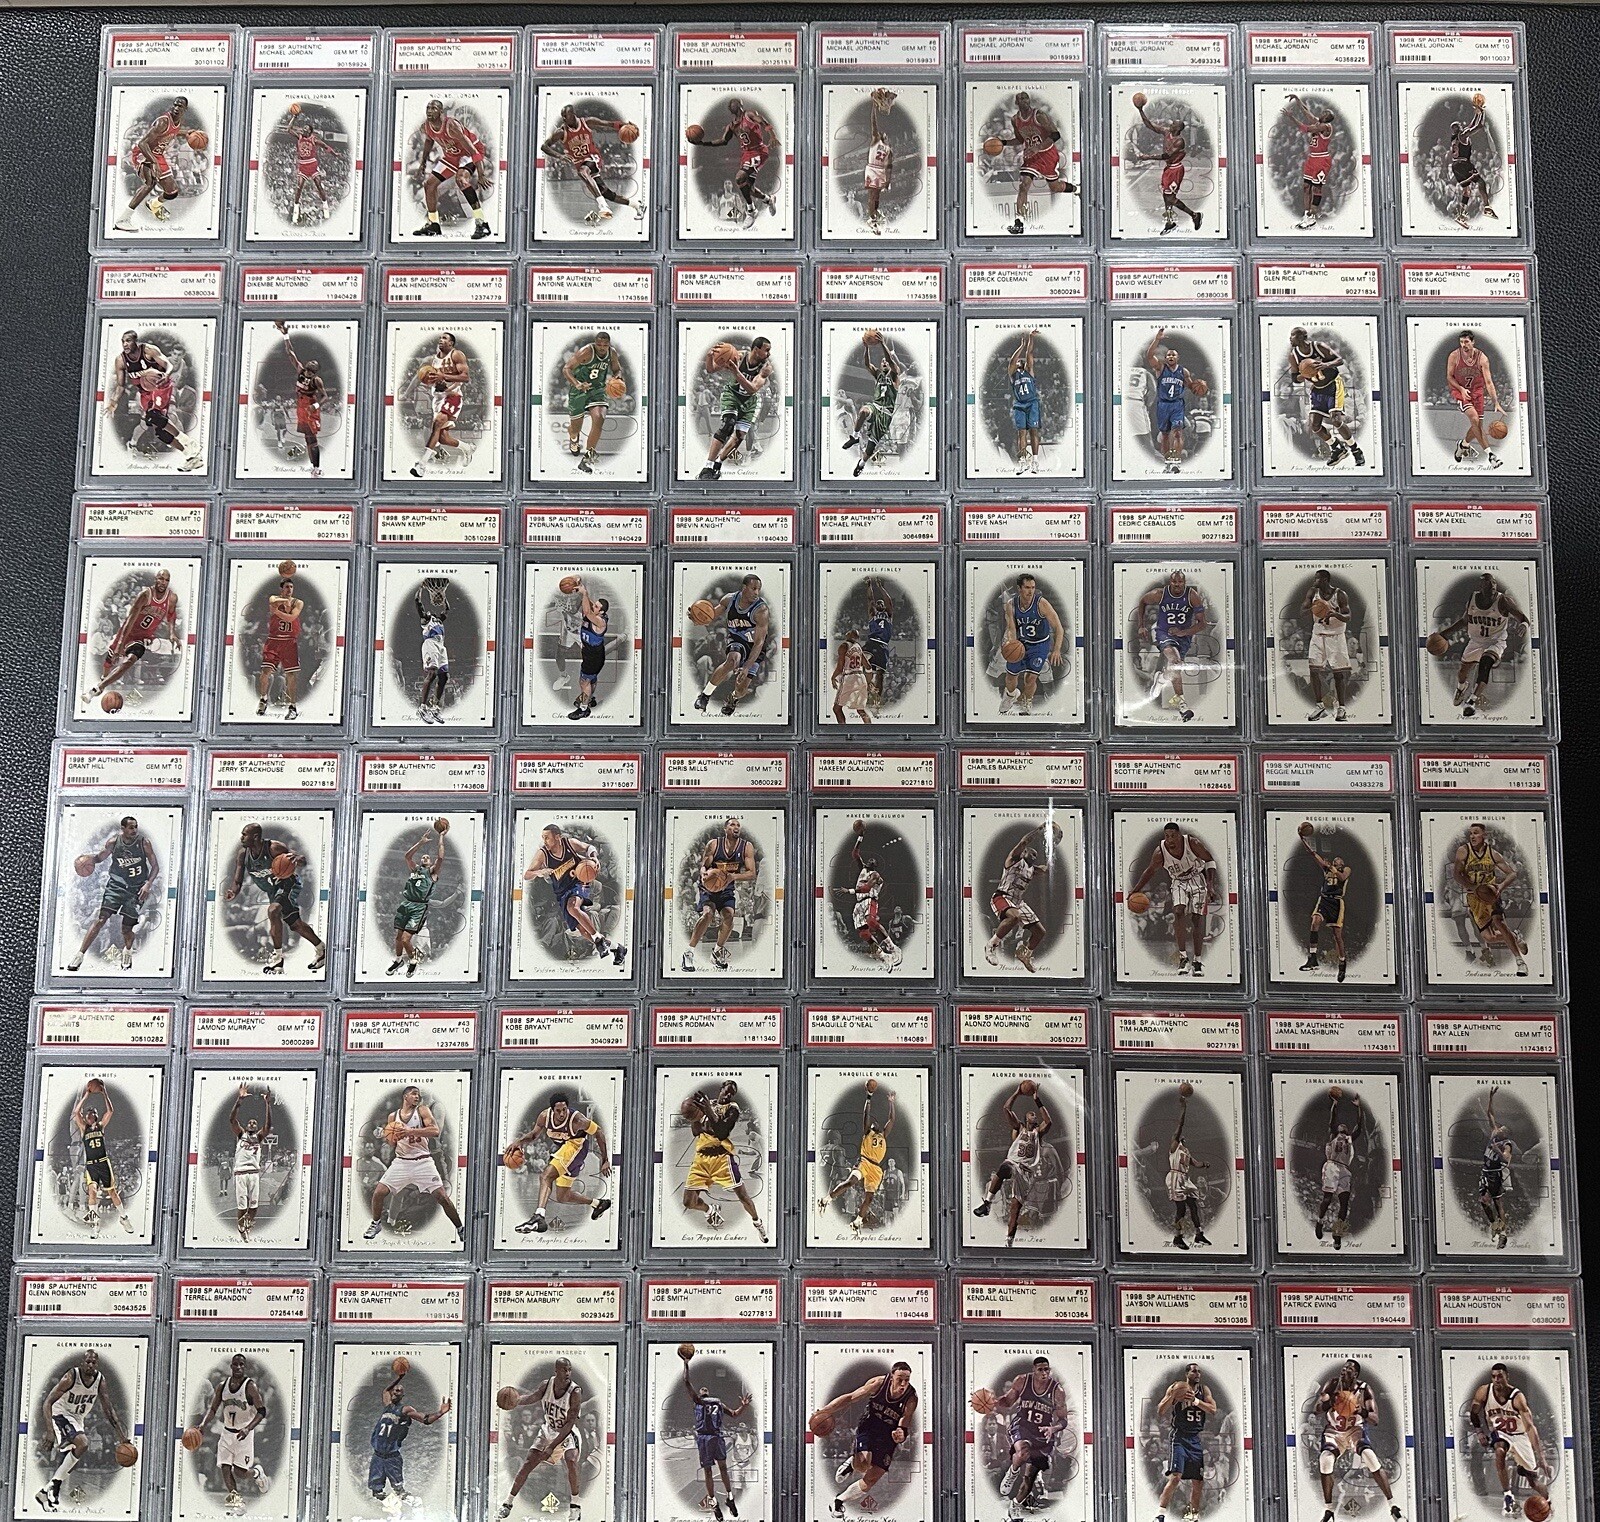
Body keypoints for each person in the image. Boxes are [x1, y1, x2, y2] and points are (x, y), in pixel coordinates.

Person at [809, 1361, 919, 1517]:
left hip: (888, 1436)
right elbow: (850, 1397)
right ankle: (854, 1463)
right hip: (869, 1426)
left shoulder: (911, 1398)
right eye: (899, 1379)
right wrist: (825, 1410)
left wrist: (901, 1433)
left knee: (871, 1479)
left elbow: (905, 1421)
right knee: (863, 1463)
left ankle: (839, 1500)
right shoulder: (878, 1383)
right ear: (891, 1377)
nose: (903, 1384)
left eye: (906, 1380)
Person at [362, 1085, 466, 1242]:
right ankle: (376, 1224)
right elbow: (392, 1143)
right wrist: (384, 1134)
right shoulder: (393, 1116)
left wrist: (410, 1131)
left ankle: (460, 1228)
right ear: (405, 1097)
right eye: (414, 1094)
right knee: (379, 1193)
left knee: (442, 1197)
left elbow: (435, 1131)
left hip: (423, 1161)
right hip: (402, 1162)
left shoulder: (423, 1110)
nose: (417, 1097)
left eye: (418, 1094)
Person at [34, 1349, 132, 1513]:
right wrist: (50, 1432)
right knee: (83, 1444)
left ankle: (45, 1491)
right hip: (61, 1414)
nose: (90, 1365)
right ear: (82, 1363)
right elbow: (48, 1403)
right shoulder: (71, 1377)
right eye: (88, 1362)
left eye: (94, 1362)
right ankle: (54, 1487)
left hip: (78, 1418)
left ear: (97, 1364)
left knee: (72, 1462)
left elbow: (108, 1410)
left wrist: (122, 1437)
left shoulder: (100, 1380)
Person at [223, 823, 328, 974]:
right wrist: (233, 892)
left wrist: (297, 858)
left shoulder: (274, 848)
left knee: (273, 911)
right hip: (273, 890)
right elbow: (238, 880)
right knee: (295, 925)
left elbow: (302, 861)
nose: (241, 837)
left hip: (288, 884)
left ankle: (277, 959)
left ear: (255, 837)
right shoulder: (243, 854)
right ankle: (321, 948)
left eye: (244, 835)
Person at [524, 824, 627, 968]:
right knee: (582, 930)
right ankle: (616, 948)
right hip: (562, 892)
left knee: (572, 906)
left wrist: (594, 858)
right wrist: (538, 872)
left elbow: (589, 847)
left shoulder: (570, 843)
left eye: (547, 837)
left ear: (558, 837)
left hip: (580, 882)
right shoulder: (543, 854)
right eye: (543, 837)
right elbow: (527, 875)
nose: (544, 841)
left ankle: (598, 940)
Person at [66, 815, 160, 973]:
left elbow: (155, 866)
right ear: (123, 829)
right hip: (116, 886)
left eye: (136, 827)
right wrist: (86, 859)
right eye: (131, 827)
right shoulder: (113, 842)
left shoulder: (144, 843)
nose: (134, 830)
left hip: (136, 888)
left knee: (126, 928)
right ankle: (79, 955)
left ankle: (127, 952)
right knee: (100, 919)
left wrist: (148, 884)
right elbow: (99, 857)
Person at [1314, 1360, 1405, 1522]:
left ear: (1355, 1374)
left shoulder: (1364, 1389)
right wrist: (1329, 1403)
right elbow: (1317, 1409)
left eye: (1349, 1369)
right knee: (1325, 1460)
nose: (1344, 1370)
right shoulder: (1332, 1384)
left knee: (1370, 1458)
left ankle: (1393, 1506)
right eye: (1344, 1368)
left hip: (1355, 1430)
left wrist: (1360, 1410)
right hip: (1334, 1431)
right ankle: (1329, 1510)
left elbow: (1375, 1419)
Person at [510, 1093, 613, 1234]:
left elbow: (598, 1132)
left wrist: (605, 1160)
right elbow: (534, 1135)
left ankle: (539, 1216)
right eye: (558, 1111)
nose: (562, 1114)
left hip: (577, 1147)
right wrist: (519, 1142)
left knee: (545, 1176)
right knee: (563, 1196)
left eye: (564, 1109)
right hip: (567, 1150)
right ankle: (598, 1203)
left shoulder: (577, 1119)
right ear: (552, 1110)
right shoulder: (544, 1117)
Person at [497, 1359, 585, 1522]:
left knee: (571, 1460)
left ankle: (575, 1506)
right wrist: (516, 1401)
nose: (567, 1373)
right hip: (548, 1429)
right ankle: (508, 1503)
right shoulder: (547, 1385)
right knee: (528, 1464)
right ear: (556, 1371)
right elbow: (532, 1397)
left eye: (569, 1370)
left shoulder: (575, 1392)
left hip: (567, 1432)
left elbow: (570, 1423)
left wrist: (551, 1447)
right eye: (564, 1370)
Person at [680, 1080, 768, 1242]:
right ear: (721, 1090)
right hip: (701, 1159)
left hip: (722, 1159)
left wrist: (708, 1112)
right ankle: (709, 1210)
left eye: (731, 1093)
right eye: (726, 1091)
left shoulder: (732, 1109)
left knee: (743, 1196)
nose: (728, 1095)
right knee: (688, 1202)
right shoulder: (708, 1104)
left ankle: (758, 1223)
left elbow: (721, 1132)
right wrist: (693, 1116)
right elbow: (696, 1132)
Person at [104, 330, 205, 469]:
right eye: (123, 341)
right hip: (145, 393)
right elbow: (120, 386)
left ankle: (187, 441)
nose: (125, 344)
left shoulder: (149, 350)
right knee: (160, 432)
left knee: (155, 415)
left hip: (161, 386)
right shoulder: (120, 360)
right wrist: (113, 402)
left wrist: (166, 374)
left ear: (135, 341)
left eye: (128, 341)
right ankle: (191, 456)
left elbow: (168, 365)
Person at [984, 1355, 1070, 1519]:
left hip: (1042, 1433)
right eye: (1040, 1370)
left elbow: (1063, 1420)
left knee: (1029, 1478)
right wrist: (993, 1402)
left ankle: (1016, 1504)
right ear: (1034, 1370)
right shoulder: (1022, 1381)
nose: (1044, 1373)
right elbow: (1008, 1401)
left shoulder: (1057, 1391)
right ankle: (1013, 1471)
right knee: (1023, 1451)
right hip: (1022, 1426)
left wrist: (1053, 1428)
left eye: (1046, 1370)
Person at [1435, 572, 1529, 718]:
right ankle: (1461, 688)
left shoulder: (1503, 600)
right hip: (1475, 641)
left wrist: (1523, 625)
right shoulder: (1472, 599)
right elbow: (1464, 621)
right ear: (1481, 586)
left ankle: (1471, 701)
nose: (1492, 587)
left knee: (1485, 664)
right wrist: (1444, 634)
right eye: (1488, 584)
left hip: (1495, 641)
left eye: (1494, 584)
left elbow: (1523, 618)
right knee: (1462, 673)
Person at [1130, 822, 1218, 977]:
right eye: (1167, 836)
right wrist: (1136, 890)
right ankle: (1183, 958)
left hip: (1197, 880)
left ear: (1179, 835)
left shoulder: (1192, 843)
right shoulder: (1160, 852)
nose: (1170, 839)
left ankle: (1197, 961)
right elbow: (1150, 871)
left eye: (1173, 836)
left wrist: (1210, 885)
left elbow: (1210, 861)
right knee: (1178, 911)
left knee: (1197, 918)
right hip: (1178, 882)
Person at [973, 1084, 1053, 1247]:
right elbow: (1006, 1109)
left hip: (1026, 1173)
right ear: (1026, 1119)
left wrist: (1037, 1100)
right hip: (1014, 1164)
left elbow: (1048, 1121)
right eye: (1031, 1114)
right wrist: (1017, 1093)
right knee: (1005, 1167)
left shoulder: (1038, 1133)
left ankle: (1009, 1242)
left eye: (1035, 1114)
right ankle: (987, 1203)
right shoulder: (1019, 1129)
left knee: (1015, 1210)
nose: (1034, 1115)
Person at [86, 567, 182, 701]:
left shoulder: (171, 598)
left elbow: (171, 614)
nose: (163, 582)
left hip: (143, 638)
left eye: (166, 580)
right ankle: (104, 679)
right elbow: (130, 620)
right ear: (155, 579)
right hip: (128, 631)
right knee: (111, 658)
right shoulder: (145, 595)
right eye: (161, 579)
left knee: (130, 660)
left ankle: (98, 688)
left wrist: (172, 633)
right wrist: (120, 644)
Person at [679, 1346, 751, 1521]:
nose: (703, 1389)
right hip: (708, 1437)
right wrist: (686, 1364)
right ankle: (714, 1502)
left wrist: (743, 1406)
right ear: (700, 1394)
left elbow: (734, 1414)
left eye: (705, 1389)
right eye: (701, 1389)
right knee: (711, 1471)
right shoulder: (700, 1401)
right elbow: (687, 1382)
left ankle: (729, 1498)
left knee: (720, 1469)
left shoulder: (713, 1402)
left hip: (713, 1436)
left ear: (707, 1393)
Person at [542, 104, 644, 226]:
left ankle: (603, 206)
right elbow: (544, 146)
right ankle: (637, 205)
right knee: (607, 194)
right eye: (562, 116)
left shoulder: (587, 122)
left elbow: (608, 124)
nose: (563, 118)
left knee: (582, 172)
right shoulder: (561, 132)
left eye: (566, 116)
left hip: (593, 158)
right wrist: (559, 156)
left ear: (573, 115)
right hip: (580, 163)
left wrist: (626, 125)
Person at [1468, 1364, 1550, 1517]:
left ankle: (1548, 1502)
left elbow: (1530, 1428)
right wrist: (1479, 1431)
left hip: (1519, 1436)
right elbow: (1474, 1413)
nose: (1496, 1379)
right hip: (1500, 1433)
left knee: (1533, 1481)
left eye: (1500, 1376)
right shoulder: (1484, 1391)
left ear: (1507, 1377)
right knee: (1499, 1450)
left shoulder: (1517, 1397)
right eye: (1493, 1376)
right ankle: (1508, 1496)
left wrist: (1542, 1458)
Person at [1453, 822, 1530, 976]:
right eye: (1471, 833)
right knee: (1489, 937)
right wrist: (1472, 886)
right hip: (1474, 898)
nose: (1472, 836)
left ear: (1484, 835)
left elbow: (1512, 873)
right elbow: (1456, 874)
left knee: (1499, 923)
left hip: (1491, 893)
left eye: (1476, 833)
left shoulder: (1493, 854)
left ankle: (1520, 962)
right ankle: (1516, 936)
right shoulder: (1463, 851)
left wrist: (1500, 886)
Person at [195, 1353, 268, 1511]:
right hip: (227, 1433)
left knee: (240, 1473)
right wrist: (203, 1424)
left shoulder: (250, 1386)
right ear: (231, 1366)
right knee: (225, 1468)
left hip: (244, 1434)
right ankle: (237, 1503)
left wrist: (248, 1428)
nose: (238, 1367)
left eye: (241, 1364)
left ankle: (256, 1473)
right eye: (236, 1364)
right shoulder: (222, 1386)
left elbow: (262, 1411)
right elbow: (213, 1409)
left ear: (245, 1367)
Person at [818, 1085, 895, 1234]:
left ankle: (857, 1222)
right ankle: (825, 1200)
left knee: (869, 1198)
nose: (874, 1123)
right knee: (851, 1182)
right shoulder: (867, 1133)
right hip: (864, 1162)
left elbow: (891, 1119)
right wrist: (869, 1097)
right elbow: (866, 1115)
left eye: (876, 1124)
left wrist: (891, 1102)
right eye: (872, 1124)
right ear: (870, 1127)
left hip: (876, 1169)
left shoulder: (883, 1135)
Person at [692, 575, 771, 717]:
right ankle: (705, 695)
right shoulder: (729, 599)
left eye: (758, 589)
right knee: (732, 661)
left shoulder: (761, 610)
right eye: (753, 588)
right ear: (744, 587)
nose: (756, 593)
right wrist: (696, 616)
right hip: (737, 640)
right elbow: (711, 616)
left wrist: (746, 667)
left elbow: (759, 643)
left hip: (755, 647)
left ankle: (733, 698)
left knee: (741, 689)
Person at [1000, 91, 1077, 235]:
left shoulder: (1039, 115)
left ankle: (1075, 189)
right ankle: (1019, 222)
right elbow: (1020, 140)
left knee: (1054, 187)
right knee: (1024, 185)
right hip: (1031, 157)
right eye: (1021, 99)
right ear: (1016, 103)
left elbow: (1056, 135)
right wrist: (1003, 142)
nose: (1024, 100)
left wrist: (1038, 147)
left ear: (1029, 100)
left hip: (1047, 154)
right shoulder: (1015, 120)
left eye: (1026, 98)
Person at [369, 1375, 451, 1509]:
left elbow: (425, 1419)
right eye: (394, 1390)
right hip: (377, 1456)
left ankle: (415, 1506)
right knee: (376, 1491)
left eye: (399, 1390)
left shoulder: (405, 1410)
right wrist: (399, 1376)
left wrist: (440, 1413)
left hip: (391, 1457)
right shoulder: (387, 1406)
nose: (395, 1392)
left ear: (403, 1395)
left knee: (399, 1491)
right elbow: (385, 1391)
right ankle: (393, 1510)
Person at [413, 98, 492, 238]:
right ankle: (433, 225)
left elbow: (474, 151)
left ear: (441, 112)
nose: (430, 111)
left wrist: (481, 174)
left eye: (433, 108)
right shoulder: (427, 126)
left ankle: (482, 224)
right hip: (452, 156)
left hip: (469, 153)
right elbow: (429, 141)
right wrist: (423, 162)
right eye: (428, 108)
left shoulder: (452, 126)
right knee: (429, 185)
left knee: (461, 180)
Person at [697, 338, 774, 481]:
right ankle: (707, 467)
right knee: (728, 424)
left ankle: (717, 464)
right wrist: (709, 357)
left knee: (739, 436)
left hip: (750, 400)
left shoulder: (766, 368)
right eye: (767, 350)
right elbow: (710, 369)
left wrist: (736, 372)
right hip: (732, 394)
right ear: (756, 349)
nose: (769, 354)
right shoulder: (737, 356)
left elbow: (752, 389)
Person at [1289, 329, 1365, 469]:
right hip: (1317, 389)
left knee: (1336, 420)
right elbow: (1295, 378)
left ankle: (1356, 450)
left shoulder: (1318, 347)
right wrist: (1305, 373)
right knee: (1315, 426)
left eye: (1292, 336)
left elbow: (1339, 360)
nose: (1290, 338)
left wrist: (1326, 365)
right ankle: (1336, 447)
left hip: (1333, 384)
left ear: (1301, 337)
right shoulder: (1293, 356)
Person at [114, 96, 194, 230]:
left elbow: (173, 131)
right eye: (175, 105)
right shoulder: (163, 121)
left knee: (172, 192)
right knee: (150, 183)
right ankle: (122, 220)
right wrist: (154, 163)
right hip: (143, 153)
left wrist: (186, 132)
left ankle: (153, 204)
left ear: (185, 109)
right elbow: (142, 143)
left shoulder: (178, 122)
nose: (176, 108)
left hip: (157, 155)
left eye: (180, 106)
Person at [696, 97, 779, 228]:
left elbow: (763, 121)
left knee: (739, 178)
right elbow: (723, 141)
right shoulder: (731, 126)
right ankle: (768, 199)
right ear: (730, 109)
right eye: (731, 104)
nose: (732, 104)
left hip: (758, 151)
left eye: (734, 103)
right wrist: (703, 143)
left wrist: (773, 136)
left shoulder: (749, 114)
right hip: (746, 155)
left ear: (740, 105)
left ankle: (751, 211)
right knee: (750, 189)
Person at [1138, 569, 1207, 722]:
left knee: (1176, 667)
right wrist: (1141, 626)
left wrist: (1184, 632)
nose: (1177, 584)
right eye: (1174, 582)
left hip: (1183, 636)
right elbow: (1142, 601)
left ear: (1184, 582)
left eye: (1180, 582)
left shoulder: (1192, 596)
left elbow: (1202, 623)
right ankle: (1182, 705)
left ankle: (1162, 679)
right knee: (1175, 661)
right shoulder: (1160, 594)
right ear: (1170, 582)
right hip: (1164, 632)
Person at [1154, 1363, 1216, 1521]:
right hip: (1179, 1437)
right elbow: (1161, 1410)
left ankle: (1193, 1516)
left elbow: (1213, 1410)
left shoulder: (1204, 1390)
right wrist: (1172, 1397)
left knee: (1198, 1481)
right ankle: (1160, 1514)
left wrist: (1196, 1401)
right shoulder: (1176, 1388)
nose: (1198, 1374)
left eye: (1199, 1371)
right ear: (1187, 1374)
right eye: (1194, 1371)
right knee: (1175, 1477)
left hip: (1195, 1439)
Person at [984, 829, 1051, 973]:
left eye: (1036, 854)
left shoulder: (1033, 869)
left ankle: (1025, 954)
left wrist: (1053, 849)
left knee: (1040, 932)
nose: (1034, 854)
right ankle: (991, 945)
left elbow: (1046, 869)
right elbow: (1024, 841)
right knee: (1015, 917)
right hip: (1002, 896)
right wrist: (1040, 829)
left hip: (1018, 902)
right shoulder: (1013, 860)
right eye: (1030, 852)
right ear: (1024, 852)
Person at [385, 822, 447, 977]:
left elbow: (440, 857)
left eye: (427, 857)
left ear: (430, 863)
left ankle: (413, 961)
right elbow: (407, 856)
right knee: (398, 938)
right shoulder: (415, 869)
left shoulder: (432, 873)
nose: (425, 857)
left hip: (419, 907)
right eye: (423, 857)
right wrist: (421, 842)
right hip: (406, 904)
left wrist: (441, 837)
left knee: (406, 939)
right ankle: (398, 960)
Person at [998, 573, 1065, 716]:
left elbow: (1058, 627)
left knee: (1030, 678)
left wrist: (1056, 649)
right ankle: (1011, 695)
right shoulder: (1011, 604)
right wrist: (1012, 643)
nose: (1030, 591)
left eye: (1033, 588)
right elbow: (1011, 628)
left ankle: (1027, 701)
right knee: (1010, 678)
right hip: (1021, 643)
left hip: (1039, 645)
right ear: (1019, 588)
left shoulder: (1042, 604)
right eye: (1027, 588)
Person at [1131, 98, 1202, 234]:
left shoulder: (1179, 142)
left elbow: (1166, 156)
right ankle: (1170, 222)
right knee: (1166, 197)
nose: (1171, 124)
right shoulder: (1166, 132)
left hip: (1175, 170)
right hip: (1168, 169)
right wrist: (1140, 110)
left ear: (1178, 129)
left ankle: (1194, 215)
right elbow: (1150, 125)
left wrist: (1147, 156)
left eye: (1173, 124)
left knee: (1171, 198)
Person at [73, 1081, 133, 1233]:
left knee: (112, 1192)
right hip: (91, 1165)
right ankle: (95, 1222)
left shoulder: (100, 1126)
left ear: (95, 1116)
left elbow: (110, 1111)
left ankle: (123, 1218)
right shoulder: (83, 1128)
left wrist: (104, 1093)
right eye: (87, 1113)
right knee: (92, 1192)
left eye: (91, 1112)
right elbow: (76, 1112)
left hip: (103, 1163)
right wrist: (86, 1095)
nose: (89, 1114)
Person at [408, 333, 470, 479]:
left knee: (437, 423)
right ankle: (467, 448)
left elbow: (465, 377)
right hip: (437, 399)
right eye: (440, 338)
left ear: (451, 343)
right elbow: (431, 379)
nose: (441, 340)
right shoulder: (433, 360)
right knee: (443, 438)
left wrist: (445, 377)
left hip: (453, 396)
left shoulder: (457, 355)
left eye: (445, 338)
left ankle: (421, 465)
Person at [562, 333, 622, 475]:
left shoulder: (612, 353)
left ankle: (587, 459)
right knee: (575, 428)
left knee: (599, 418)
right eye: (599, 345)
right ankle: (574, 439)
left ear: (609, 344)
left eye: (605, 345)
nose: (602, 348)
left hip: (597, 390)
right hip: (579, 390)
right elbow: (566, 369)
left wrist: (618, 377)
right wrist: (577, 384)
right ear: (595, 343)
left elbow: (617, 369)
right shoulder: (586, 352)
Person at [842, 335, 901, 476]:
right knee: (863, 411)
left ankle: (861, 464)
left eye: (886, 361)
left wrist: (883, 344)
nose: (884, 362)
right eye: (882, 361)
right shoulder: (878, 375)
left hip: (885, 414)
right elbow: (867, 364)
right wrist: (866, 347)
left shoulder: (895, 376)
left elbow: (891, 360)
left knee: (870, 446)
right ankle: (855, 437)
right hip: (875, 406)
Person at [1144, 331, 1201, 475]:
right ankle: (1167, 463)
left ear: (1177, 358)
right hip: (1163, 405)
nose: (1170, 357)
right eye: (1168, 355)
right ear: (1165, 358)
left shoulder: (1184, 371)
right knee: (1164, 435)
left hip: (1177, 405)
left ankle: (1176, 462)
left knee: (1177, 433)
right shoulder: (1160, 368)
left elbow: (1191, 386)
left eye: (1173, 355)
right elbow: (1149, 356)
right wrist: (1156, 340)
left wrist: (1198, 387)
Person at [1301, 568, 1355, 721]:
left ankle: (1341, 709)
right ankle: (1320, 707)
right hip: (1318, 635)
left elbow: (1348, 616)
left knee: (1338, 674)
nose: (1315, 581)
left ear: (1324, 580)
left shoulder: (1340, 594)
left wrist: (1335, 613)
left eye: (1317, 579)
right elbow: (1302, 611)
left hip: (1336, 636)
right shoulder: (1313, 593)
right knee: (1314, 671)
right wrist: (1315, 608)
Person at [1446, 331, 1505, 468]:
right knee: (1474, 418)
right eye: (1461, 342)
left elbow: (1489, 382)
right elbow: (1449, 377)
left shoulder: (1482, 358)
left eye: (1466, 342)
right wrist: (1461, 389)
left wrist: (1496, 402)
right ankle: (1491, 456)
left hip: (1477, 393)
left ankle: (1463, 445)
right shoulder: (1454, 356)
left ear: (1473, 342)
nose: (1463, 345)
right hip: (1461, 392)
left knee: (1477, 426)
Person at [1299, 830, 1353, 982]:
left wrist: (1332, 868)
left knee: (1337, 936)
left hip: (1336, 902)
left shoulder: (1346, 869)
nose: (1336, 859)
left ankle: (1342, 963)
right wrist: (1302, 839)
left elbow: (1342, 877)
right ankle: (1313, 958)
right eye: (1335, 859)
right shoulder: (1326, 869)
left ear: (1342, 863)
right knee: (1315, 921)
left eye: (1339, 859)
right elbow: (1313, 854)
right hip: (1324, 900)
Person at [274, 322, 326, 476]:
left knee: (312, 439)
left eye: (311, 370)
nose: (308, 372)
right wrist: (285, 335)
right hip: (301, 406)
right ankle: (313, 467)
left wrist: (315, 406)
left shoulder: (317, 381)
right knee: (307, 438)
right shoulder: (301, 371)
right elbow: (290, 353)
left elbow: (325, 397)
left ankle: (317, 468)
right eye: (308, 368)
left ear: (315, 372)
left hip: (310, 407)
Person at [1163, 1093, 1212, 1251]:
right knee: (1181, 1209)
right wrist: (1183, 1108)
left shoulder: (1186, 1150)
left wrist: (1204, 1164)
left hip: (1185, 1178)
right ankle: (1177, 1237)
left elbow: (1195, 1163)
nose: (1182, 1135)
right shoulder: (1174, 1145)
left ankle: (1199, 1234)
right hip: (1175, 1176)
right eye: (1180, 1134)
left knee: (1194, 1206)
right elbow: (1180, 1124)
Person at [1314, 1091, 1361, 1248]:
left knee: (1344, 1204)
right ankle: (1320, 1222)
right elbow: (1332, 1120)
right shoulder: (1334, 1135)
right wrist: (1334, 1104)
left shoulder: (1349, 1139)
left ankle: (1337, 1232)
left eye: (1345, 1126)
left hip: (1345, 1170)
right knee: (1327, 1199)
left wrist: (1359, 1108)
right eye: (1341, 1126)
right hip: (1332, 1166)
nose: (1343, 1125)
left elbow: (1359, 1127)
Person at [1283, 95, 1337, 228]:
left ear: (1327, 118)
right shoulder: (1318, 122)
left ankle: (1312, 216)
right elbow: (1307, 112)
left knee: (1316, 187)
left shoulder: (1325, 127)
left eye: (1325, 113)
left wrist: (1291, 117)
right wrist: (1297, 100)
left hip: (1322, 159)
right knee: (1306, 186)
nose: (1322, 112)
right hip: (1312, 158)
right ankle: (1306, 215)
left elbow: (1305, 129)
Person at [228, 1084, 273, 1243]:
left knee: (253, 1206)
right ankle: (241, 1227)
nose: (253, 1124)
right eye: (250, 1122)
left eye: (255, 1123)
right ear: (246, 1126)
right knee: (242, 1206)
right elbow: (232, 1119)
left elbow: (268, 1125)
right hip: (240, 1173)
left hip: (253, 1174)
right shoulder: (241, 1135)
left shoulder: (259, 1137)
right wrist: (239, 1100)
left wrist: (267, 1104)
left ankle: (246, 1226)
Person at [1447, 100, 1499, 228]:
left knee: (1467, 191)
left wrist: (1476, 112)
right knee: (1481, 182)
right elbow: (1479, 126)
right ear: (1457, 129)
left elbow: (1471, 125)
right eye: (1460, 125)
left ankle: (1461, 216)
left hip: (1455, 166)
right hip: (1464, 164)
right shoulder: (1463, 135)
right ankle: (1487, 208)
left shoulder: (1454, 138)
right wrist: (1482, 112)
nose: (1462, 125)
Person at [257, 575, 302, 721]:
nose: (289, 589)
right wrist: (281, 603)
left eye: (291, 587)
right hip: (274, 640)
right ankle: (263, 699)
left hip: (289, 642)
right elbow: (272, 601)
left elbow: (291, 618)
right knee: (265, 671)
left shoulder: (298, 602)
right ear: (281, 589)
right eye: (287, 587)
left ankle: (292, 707)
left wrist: (276, 611)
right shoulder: (273, 598)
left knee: (291, 675)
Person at [567, 579, 611, 721]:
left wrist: (585, 593)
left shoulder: (599, 622)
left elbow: (586, 611)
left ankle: (583, 709)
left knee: (584, 682)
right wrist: (582, 591)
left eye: (596, 606)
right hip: (592, 654)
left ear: (601, 612)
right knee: (591, 679)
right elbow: (590, 605)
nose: (593, 606)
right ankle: (589, 699)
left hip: (593, 657)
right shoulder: (596, 614)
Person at [1479, 1086, 1516, 1249]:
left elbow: (1506, 1160)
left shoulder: (1506, 1144)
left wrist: (1497, 1151)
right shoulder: (1494, 1133)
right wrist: (1491, 1098)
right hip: (1485, 1172)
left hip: (1495, 1174)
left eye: (1503, 1129)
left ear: (1505, 1134)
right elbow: (1490, 1114)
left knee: (1497, 1203)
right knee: (1483, 1201)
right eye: (1500, 1127)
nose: (1499, 1128)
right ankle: (1494, 1224)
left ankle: (1503, 1233)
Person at [415, 580, 451, 722]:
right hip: (430, 644)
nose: (430, 611)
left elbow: (447, 609)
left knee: (444, 677)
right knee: (432, 673)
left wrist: (442, 594)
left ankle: (435, 707)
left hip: (441, 646)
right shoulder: (426, 619)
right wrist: (420, 588)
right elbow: (418, 602)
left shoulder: (439, 620)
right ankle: (422, 707)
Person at [1008, 331, 1044, 474]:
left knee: (1034, 431)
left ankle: (1035, 461)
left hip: (1032, 403)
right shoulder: (1013, 375)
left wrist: (1030, 338)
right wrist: (1021, 346)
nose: (1019, 361)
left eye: (1021, 361)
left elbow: (1029, 353)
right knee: (1021, 434)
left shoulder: (1029, 370)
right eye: (1018, 361)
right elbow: (1012, 361)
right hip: (1019, 405)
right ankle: (1023, 462)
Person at [863, 91, 895, 233]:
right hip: (872, 168)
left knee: (877, 196)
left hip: (881, 171)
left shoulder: (889, 149)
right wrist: (874, 107)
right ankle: (871, 218)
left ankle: (874, 215)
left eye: (886, 134)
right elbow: (873, 123)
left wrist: (888, 182)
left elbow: (889, 167)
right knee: (872, 195)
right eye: (883, 133)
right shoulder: (876, 139)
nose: (884, 134)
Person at [862, 579, 895, 710]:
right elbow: (870, 599)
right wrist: (869, 585)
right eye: (878, 603)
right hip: (872, 642)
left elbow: (889, 601)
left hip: (882, 645)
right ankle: (863, 692)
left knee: (880, 675)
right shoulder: (872, 614)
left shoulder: (889, 615)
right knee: (863, 664)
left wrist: (880, 587)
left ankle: (877, 699)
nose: (880, 603)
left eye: (882, 603)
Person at [830, 630, 872, 725]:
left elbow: (840, 668)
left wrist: (833, 678)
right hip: (861, 677)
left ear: (849, 635)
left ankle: (843, 730)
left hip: (850, 677)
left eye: (848, 633)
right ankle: (870, 729)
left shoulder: (844, 646)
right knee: (861, 710)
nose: (846, 633)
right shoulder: (858, 647)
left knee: (837, 708)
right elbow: (868, 666)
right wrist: (868, 680)